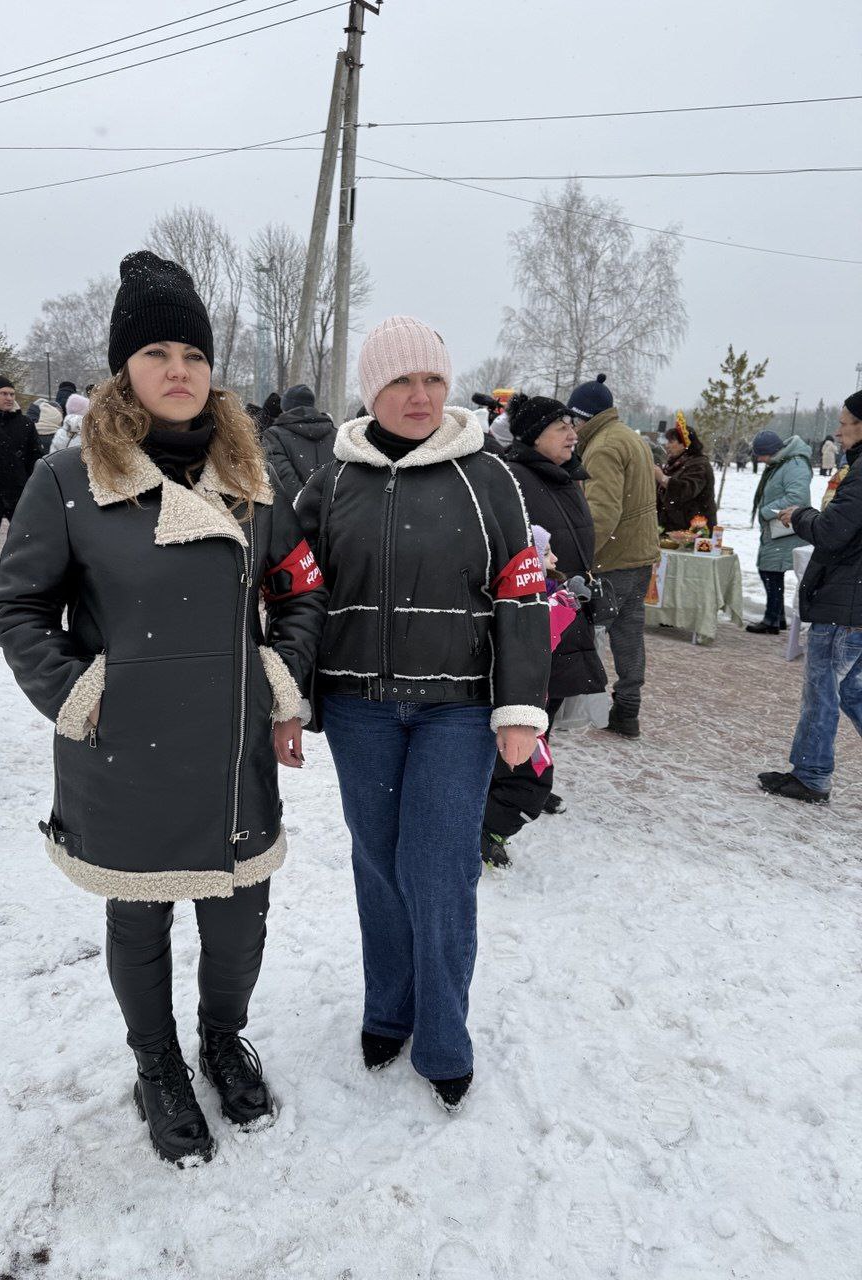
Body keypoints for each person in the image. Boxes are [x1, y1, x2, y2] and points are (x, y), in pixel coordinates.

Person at [0, 251, 326, 1167]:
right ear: (124, 368)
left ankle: (221, 1038)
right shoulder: (69, 479)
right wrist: (79, 690)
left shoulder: (251, 481)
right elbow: (15, 604)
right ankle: (157, 1066)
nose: (179, 369)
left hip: (229, 753)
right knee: (140, 918)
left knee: (239, 920)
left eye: (194, 353)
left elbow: (301, 590)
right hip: (121, 747)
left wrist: (279, 678)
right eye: (157, 352)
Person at [296, 315, 550, 1114]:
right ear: (372, 391)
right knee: (376, 858)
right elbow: (298, 591)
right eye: (402, 382)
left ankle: (443, 1034)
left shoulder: (489, 477)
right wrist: (290, 695)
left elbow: (523, 591)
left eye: (433, 381)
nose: (420, 396)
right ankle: (389, 1007)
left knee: (438, 868)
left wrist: (520, 708)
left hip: (456, 710)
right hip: (359, 706)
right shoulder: (332, 480)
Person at [481, 394, 606, 866]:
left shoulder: (564, 479)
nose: (573, 435)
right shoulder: (516, 479)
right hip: (537, 615)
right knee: (523, 712)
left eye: (572, 426)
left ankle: (521, 785)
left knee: (543, 710)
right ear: (535, 436)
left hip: (564, 608)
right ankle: (500, 806)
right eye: (561, 428)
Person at [758, 393, 862, 803]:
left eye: (845, 423)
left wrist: (798, 515)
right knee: (851, 691)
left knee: (823, 690)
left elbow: (834, 532)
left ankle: (811, 774)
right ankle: (810, 770)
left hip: (845, 601)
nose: (838, 431)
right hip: (852, 600)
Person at [567, 373, 659, 739]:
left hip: (615, 559)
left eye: (574, 419)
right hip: (639, 556)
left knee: (586, 630)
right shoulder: (631, 438)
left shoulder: (604, 447)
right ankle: (627, 709)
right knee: (629, 634)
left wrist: (579, 556)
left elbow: (602, 513)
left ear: (583, 416)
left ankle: (573, 705)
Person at [745, 429, 813, 635]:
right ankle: (777, 617)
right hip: (778, 528)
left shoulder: (794, 464)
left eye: (760, 454)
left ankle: (771, 619)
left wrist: (766, 512)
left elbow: (797, 497)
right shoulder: (782, 462)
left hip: (785, 528)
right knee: (770, 570)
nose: (758, 458)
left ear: (771, 451)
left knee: (770, 571)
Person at [0, 376, 42, 573]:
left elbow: (35, 457)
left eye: (12, 394)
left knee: (27, 541)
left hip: (18, 491)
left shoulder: (25, 423)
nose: (9, 397)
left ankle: (29, 580)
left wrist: (33, 486)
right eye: (3, 393)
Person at [262, 384, 336, 501]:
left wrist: (305, 507)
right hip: (332, 514)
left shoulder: (274, 435)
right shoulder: (335, 434)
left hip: (291, 515)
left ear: (285, 407)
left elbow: (284, 478)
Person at [654, 411, 718, 533]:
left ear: (685, 444)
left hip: (695, 531)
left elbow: (686, 490)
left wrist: (662, 478)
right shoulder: (674, 464)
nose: (667, 446)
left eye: (671, 442)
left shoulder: (699, 465)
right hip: (673, 528)